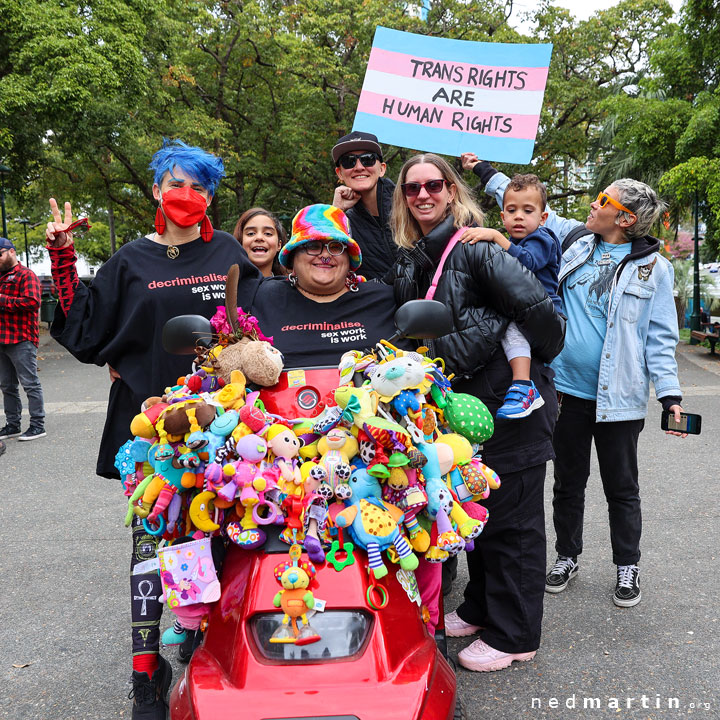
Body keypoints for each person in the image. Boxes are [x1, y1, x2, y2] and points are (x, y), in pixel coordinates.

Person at [45, 139, 261, 720]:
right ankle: (145, 673)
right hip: (147, 424)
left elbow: (266, 326)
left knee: (213, 533)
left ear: (211, 195)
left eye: (198, 186)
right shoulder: (129, 260)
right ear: (158, 189)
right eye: (175, 182)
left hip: (224, 427)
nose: (185, 195)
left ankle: (202, 640)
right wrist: (63, 257)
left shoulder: (228, 252)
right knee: (151, 540)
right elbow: (84, 328)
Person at [385, 153, 565, 673]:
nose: (423, 194)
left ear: (452, 189)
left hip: (511, 405)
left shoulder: (477, 248)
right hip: (461, 412)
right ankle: (483, 608)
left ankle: (515, 634)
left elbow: (546, 323)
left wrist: (485, 345)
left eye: (434, 184)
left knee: (514, 522)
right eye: (412, 187)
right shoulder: (410, 256)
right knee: (477, 511)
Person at [544, 180, 686, 608]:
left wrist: (670, 395)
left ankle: (628, 564)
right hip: (566, 392)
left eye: (602, 200)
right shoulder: (576, 246)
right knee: (568, 483)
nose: (592, 203)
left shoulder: (654, 269)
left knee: (621, 487)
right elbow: (524, 205)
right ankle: (567, 555)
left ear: (625, 219)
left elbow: (660, 338)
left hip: (619, 398)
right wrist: (481, 170)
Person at [460, 174, 562, 419]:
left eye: (528, 211)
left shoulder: (542, 239)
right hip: (519, 307)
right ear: (503, 216)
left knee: (512, 331)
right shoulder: (512, 241)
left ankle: (523, 385)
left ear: (543, 217)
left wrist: (496, 237)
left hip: (543, 309)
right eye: (512, 210)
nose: (519, 216)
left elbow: (527, 262)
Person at [249, 203, 399, 366]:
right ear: (292, 257)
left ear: (349, 258)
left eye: (336, 247)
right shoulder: (263, 295)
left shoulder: (383, 300)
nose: (325, 255)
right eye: (313, 246)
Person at [331, 131, 398, 280]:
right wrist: (336, 212)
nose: (359, 167)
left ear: (382, 168)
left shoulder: (410, 202)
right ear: (340, 173)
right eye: (349, 161)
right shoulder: (344, 222)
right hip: (376, 301)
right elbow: (325, 261)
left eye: (368, 159)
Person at [0, 236, 46, 441]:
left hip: (21, 339)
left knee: (30, 383)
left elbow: (32, 302)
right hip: (1, 340)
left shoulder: (26, 275)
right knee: (7, 386)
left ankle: (37, 425)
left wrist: (2, 300)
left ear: (11, 251)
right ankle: (13, 425)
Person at [233, 207, 287, 277]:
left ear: (279, 245)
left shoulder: (290, 286)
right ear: (240, 242)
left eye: (268, 233)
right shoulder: (223, 285)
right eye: (251, 233)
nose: (259, 238)